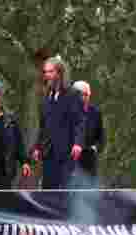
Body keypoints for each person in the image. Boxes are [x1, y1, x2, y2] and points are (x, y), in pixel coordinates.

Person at [31, 55, 86, 190]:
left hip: (67, 153)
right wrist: (37, 147)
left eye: (50, 72)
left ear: (59, 73)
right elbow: (43, 126)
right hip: (49, 153)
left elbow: (80, 121)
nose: (47, 75)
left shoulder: (73, 94)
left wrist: (78, 143)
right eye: (45, 72)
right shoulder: (45, 98)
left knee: (66, 191)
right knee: (48, 191)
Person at [72, 81, 105, 180]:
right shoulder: (68, 112)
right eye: (84, 95)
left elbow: (101, 137)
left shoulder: (95, 112)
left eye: (88, 94)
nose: (87, 97)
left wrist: (96, 148)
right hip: (72, 159)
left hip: (89, 159)